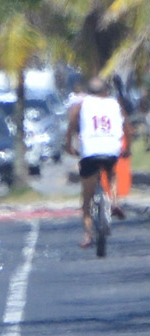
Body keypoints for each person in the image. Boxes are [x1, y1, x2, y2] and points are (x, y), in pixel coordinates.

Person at [65, 77, 132, 248]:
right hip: (111, 150)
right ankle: (115, 202)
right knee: (112, 173)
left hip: (90, 152)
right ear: (106, 92)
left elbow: (71, 125)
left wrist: (69, 145)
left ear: (88, 92)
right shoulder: (115, 104)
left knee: (86, 198)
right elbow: (127, 128)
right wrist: (127, 148)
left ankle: (88, 235)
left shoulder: (82, 105)